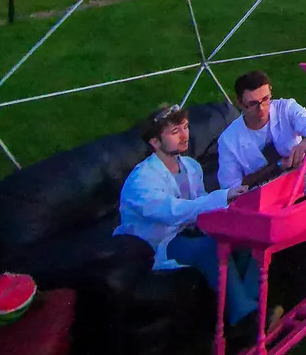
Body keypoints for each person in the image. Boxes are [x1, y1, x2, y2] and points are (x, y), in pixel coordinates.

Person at [114, 104, 279, 345]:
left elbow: (201, 206)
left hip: (191, 231)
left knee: (247, 238)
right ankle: (247, 319)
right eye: (174, 131)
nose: (184, 135)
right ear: (155, 142)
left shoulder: (191, 166)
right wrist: (223, 197)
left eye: (185, 127)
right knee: (208, 249)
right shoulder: (141, 181)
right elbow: (173, 212)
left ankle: (249, 314)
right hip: (158, 243)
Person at [217, 70, 306, 191]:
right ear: (240, 104)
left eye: (265, 99)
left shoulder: (286, 108)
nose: (261, 108)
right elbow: (230, 189)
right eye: (253, 104)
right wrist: (277, 167)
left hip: (301, 181)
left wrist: (305, 142)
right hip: (263, 197)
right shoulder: (228, 141)